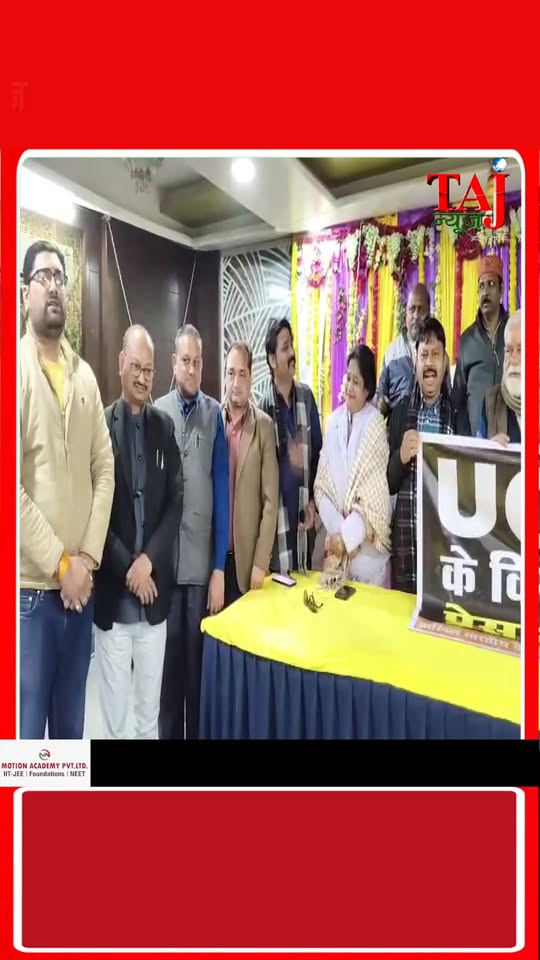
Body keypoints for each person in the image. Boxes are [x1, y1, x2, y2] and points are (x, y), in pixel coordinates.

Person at [20, 239, 114, 739]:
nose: (54, 286)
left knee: (70, 735)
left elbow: (105, 468)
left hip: (80, 592)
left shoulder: (85, 377)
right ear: (24, 293)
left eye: (60, 277)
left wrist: (87, 561)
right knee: (27, 740)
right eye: (43, 277)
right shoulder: (14, 371)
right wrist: (61, 566)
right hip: (32, 596)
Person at [93, 326, 183, 739]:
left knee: (148, 721)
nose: (143, 378)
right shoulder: (100, 425)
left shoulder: (164, 427)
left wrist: (148, 562)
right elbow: (95, 512)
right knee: (114, 726)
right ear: (120, 363)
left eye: (149, 370)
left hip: (154, 600)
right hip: (114, 599)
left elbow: (175, 504)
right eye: (136, 367)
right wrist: (130, 567)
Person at [155, 323, 229, 740]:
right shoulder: (157, 412)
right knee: (168, 679)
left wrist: (219, 568)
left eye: (198, 362)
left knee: (197, 678)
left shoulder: (214, 414)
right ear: (173, 363)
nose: (192, 369)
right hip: (166, 569)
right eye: (185, 361)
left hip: (201, 572)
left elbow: (222, 495)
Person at [314, 344, 392, 590]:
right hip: (336, 555)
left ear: (368, 390)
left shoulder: (375, 425)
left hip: (367, 559)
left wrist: (348, 539)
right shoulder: (333, 421)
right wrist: (339, 537)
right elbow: (322, 486)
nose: (349, 386)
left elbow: (373, 498)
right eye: (348, 378)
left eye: (356, 382)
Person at [387, 317, 455, 594]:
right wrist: (400, 457)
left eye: (435, 355)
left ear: (445, 362)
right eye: (424, 355)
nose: (429, 363)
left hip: (446, 547)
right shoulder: (401, 411)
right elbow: (389, 483)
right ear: (415, 362)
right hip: (406, 544)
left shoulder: (457, 413)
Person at [260, 318, 322, 575]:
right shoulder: (262, 409)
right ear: (272, 360)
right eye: (285, 348)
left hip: (304, 525)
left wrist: (314, 503)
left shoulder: (307, 398)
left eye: (292, 345)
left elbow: (319, 457)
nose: (292, 353)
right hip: (276, 532)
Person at [222, 341, 279, 606]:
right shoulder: (213, 421)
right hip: (215, 565)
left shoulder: (264, 427)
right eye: (231, 373)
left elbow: (270, 502)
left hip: (248, 566)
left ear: (250, 377)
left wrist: (260, 562)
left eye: (242, 374)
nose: (236, 382)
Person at [452, 254, 508, 436]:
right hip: (476, 442)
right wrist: (465, 439)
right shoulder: (467, 340)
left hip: (512, 442)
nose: (485, 292)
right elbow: (458, 400)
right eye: (481, 286)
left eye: (491, 284)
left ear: (501, 290)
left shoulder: (515, 333)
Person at [376, 283, 430, 417]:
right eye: (412, 309)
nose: (416, 315)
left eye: (421, 310)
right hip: (397, 428)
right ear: (406, 313)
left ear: (429, 313)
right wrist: (380, 403)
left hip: (428, 426)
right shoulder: (392, 353)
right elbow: (380, 394)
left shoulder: (437, 353)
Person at [477, 310, 521, 444]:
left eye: (521, 350)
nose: (513, 359)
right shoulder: (491, 401)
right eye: (509, 350)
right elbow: (476, 451)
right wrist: (489, 450)